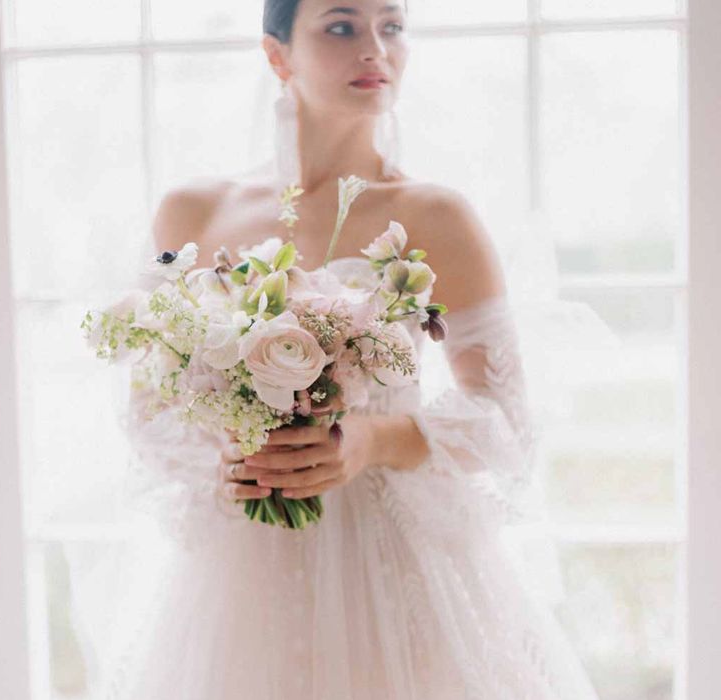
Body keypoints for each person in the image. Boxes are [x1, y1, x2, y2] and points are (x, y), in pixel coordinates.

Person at [102, 1, 604, 698]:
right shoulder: (194, 214)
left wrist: (371, 440)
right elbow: (149, 409)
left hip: (392, 570)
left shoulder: (437, 217)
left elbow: (507, 422)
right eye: (342, 26)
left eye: (391, 26)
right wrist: (224, 453)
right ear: (277, 55)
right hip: (241, 574)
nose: (376, 48)